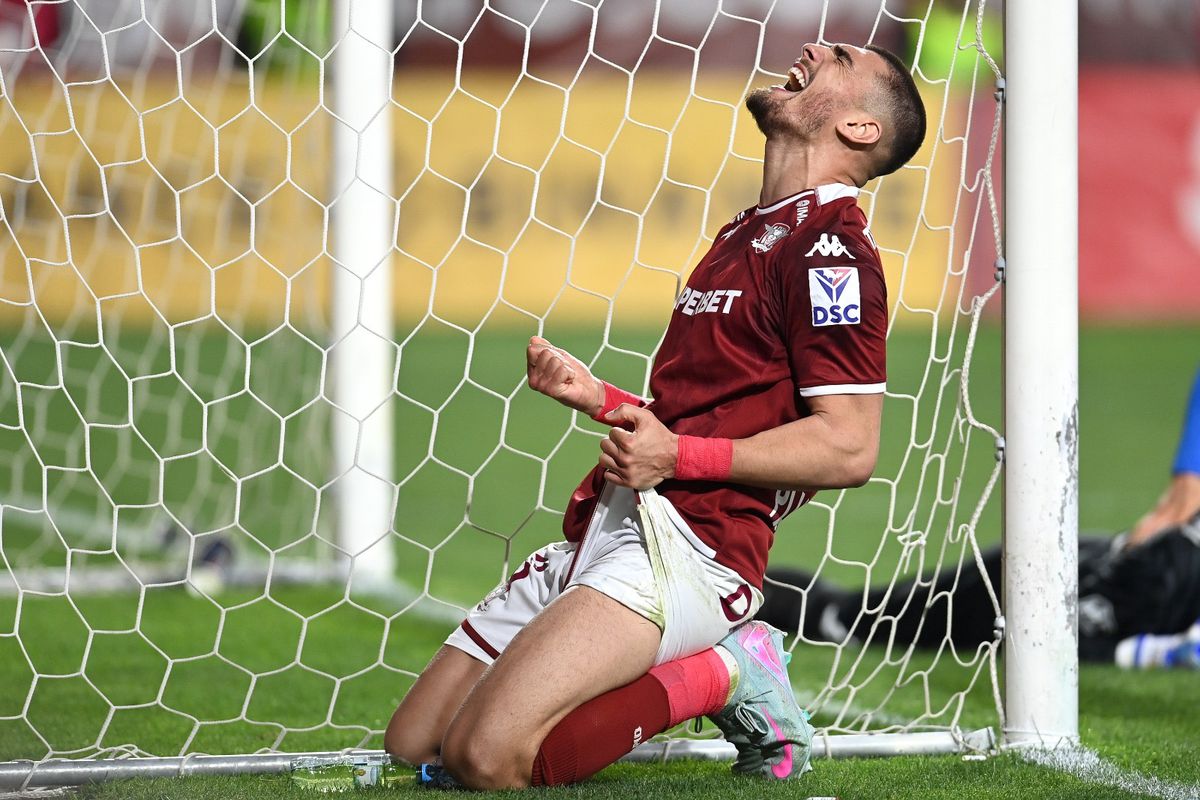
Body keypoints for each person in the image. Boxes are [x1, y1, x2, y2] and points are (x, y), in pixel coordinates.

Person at [384, 43, 927, 790]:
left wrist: (677, 461)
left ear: (862, 130)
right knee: (416, 744)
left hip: (699, 548)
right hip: (623, 518)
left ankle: (728, 671)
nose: (812, 49)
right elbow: (703, 418)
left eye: (839, 58)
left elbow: (848, 448)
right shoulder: (746, 232)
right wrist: (600, 399)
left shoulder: (829, 250)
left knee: (485, 757)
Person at [757, 365, 1200, 669]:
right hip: (1146, 574)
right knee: (1012, 583)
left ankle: (819, 612)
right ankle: (811, 609)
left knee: (1027, 606)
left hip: (1158, 582)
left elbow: (1179, 509)